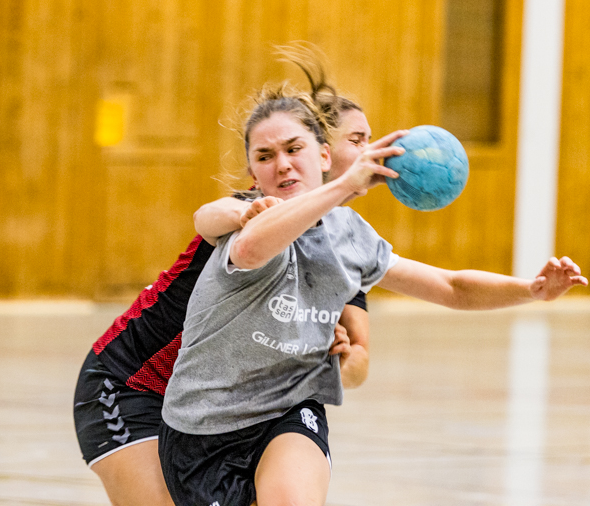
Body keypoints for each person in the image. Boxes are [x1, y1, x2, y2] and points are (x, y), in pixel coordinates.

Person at [157, 81, 588, 506]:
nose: (283, 164)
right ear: (253, 174)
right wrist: (347, 184)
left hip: (286, 412)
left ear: (324, 155)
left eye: (294, 148)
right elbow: (252, 248)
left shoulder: (349, 235)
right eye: (265, 156)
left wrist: (531, 289)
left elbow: (451, 287)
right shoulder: (249, 223)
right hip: (201, 429)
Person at [73, 50, 374, 506]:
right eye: (359, 139)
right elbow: (210, 215)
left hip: (232, 405)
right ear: (323, 149)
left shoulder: (348, 245)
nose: (371, 152)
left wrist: (337, 359)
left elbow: (357, 364)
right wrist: (245, 213)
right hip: (133, 385)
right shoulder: (259, 208)